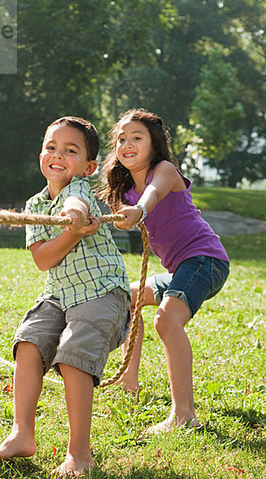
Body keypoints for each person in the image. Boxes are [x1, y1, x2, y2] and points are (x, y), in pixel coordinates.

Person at [0, 116, 131, 474]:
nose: (57, 155)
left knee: (73, 354)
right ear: (41, 154)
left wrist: (74, 219)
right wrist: (72, 235)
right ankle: (22, 434)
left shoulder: (78, 191)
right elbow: (43, 258)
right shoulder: (34, 206)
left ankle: (80, 454)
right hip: (60, 295)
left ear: (88, 166)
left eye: (70, 150)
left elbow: (75, 208)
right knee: (29, 341)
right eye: (51, 147)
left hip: (101, 292)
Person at [102, 108, 230, 434]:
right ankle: (129, 382)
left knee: (167, 318)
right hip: (181, 269)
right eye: (121, 139)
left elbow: (154, 193)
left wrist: (139, 210)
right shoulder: (126, 189)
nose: (127, 143)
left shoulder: (165, 170)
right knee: (126, 296)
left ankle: (184, 416)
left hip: (205, 260)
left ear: (154, 145)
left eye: (136, 137)